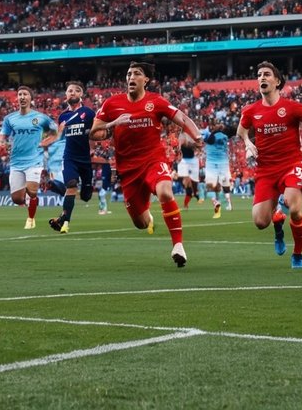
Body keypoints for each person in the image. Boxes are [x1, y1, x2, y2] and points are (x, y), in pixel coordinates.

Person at [91, 61, 204, 267]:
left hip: (153, 159)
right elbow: (94, 132)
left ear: (146, 80)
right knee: (140, 224)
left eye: (136, 74)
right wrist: (113, 124)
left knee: (165, 192)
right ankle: (149, 217)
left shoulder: (156, 101)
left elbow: (182, 118)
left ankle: (178, 245)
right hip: (128, 169)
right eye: (129, 73)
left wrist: (196, 135)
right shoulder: (111, 104)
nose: (131, 77)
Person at [239, 61, 302, 269]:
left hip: (291, 164)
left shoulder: (292, 107)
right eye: (259, 74)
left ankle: (297, 254)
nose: (262, 77)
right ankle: (278, 228)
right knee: (260, 222)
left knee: (294, 208)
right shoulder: (251, 110)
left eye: (267, 74)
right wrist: (247, 142)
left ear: (277, 81)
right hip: (265, 170)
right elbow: (241, 131)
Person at [0, 86, 60, 230]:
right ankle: (29, 196)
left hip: (34, 160)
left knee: (32, 191)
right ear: (17, 98)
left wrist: (46, 142)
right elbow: (3, 135)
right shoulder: (10, 118)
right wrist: (0, 142)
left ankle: (31, 219)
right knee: (16, 199)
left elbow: (56, 131)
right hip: (16, 162)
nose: (22, 97)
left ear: (31, 99)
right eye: (20, 94)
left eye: (25, 94)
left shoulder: (40, 118)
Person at [48, 81, 100, 234]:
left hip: (85, 159)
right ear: (66, 94)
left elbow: (95, 133)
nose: (72, 93)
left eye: (76, 91)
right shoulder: (63, 116)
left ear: (81, 95)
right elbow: (60, 137)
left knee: (86, 196)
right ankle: (65, 222)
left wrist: (92, 148)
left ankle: (61, 217)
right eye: (69, 90)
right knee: (71, 185)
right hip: (70, 158)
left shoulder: (89, 113)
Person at [202, 119, 233, 218]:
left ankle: (216, 203)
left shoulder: (209, 136)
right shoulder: (224, 136)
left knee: (211, 187)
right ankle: (228, 204)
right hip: (223, 163)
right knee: (225, 186)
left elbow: (207, 139)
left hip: (212, 163)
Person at [175, 125, 203, 208]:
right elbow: (180, 145)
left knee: (194, 181)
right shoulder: (181, 136)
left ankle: (195, 194)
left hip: (192, 159)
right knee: (187, 182)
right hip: (183, 161)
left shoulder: (192, 135)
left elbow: (198, 145)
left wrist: (197, 148)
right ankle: (188, 198)